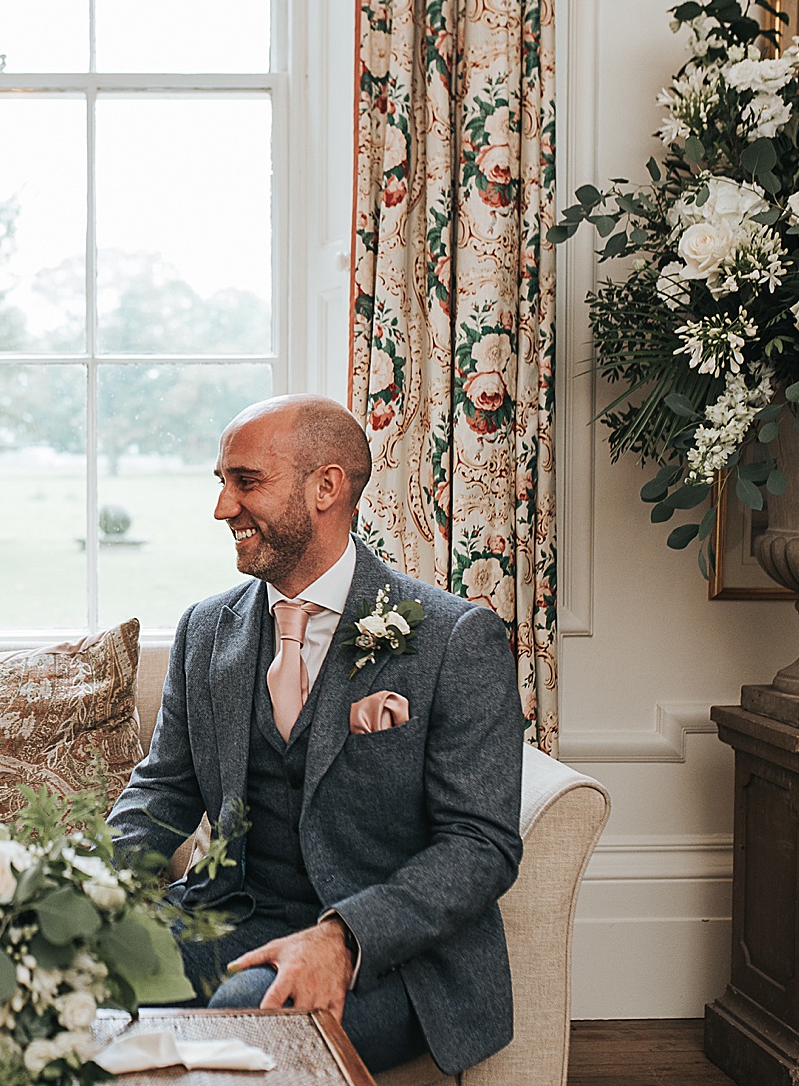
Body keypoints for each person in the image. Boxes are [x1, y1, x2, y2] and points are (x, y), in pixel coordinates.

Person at [108, 395, 524, 1076]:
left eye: (246, 481)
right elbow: (164, 789)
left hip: (389, 953)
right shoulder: (205, 630)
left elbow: (480, 844)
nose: (223, 507)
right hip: (227, 915)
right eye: (221, 482)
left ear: (326, 486)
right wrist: (75, 888)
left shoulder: (453, 638)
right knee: (68, 975)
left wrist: (343, 937)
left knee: (254, 1009)